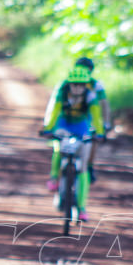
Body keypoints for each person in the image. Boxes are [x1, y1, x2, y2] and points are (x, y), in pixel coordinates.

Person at [41, 65, 105, 222]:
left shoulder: (90, 96)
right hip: (64, 123)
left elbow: (96, 116)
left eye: (81, 85)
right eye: (75, 84)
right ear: (69, 83)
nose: (78, 88)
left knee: (83, 168)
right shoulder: (62, 93)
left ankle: (82, 208)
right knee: (58, 145)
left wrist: (100, 133)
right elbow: (54, 111)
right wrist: (48, 128)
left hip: (81, 125)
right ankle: (54, 177)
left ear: (85, 85)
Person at [75, 57, 110, 182]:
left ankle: (89, 166)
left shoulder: (96, 85)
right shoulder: (68, 83)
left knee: (92, 140)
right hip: (72, 118)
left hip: (89, 119)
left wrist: (105, 123)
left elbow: (103, 104)